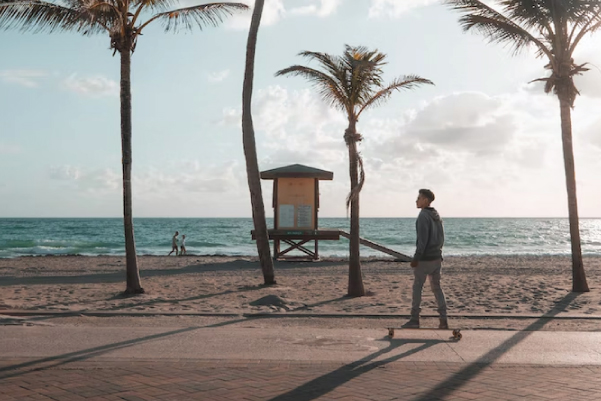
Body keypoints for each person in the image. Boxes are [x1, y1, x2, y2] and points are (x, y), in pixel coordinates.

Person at [403, 189, 448, 329]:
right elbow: (441, 238)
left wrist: (416, 258)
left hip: (425, 259)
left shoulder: (423, 215)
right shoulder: (436, 215)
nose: (416, 200)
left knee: (417, 287)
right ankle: (443, 319)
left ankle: (414, 318)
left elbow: (422, 241)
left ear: (426, 200)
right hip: (436, 258)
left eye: (419, 198)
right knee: (437, 288)